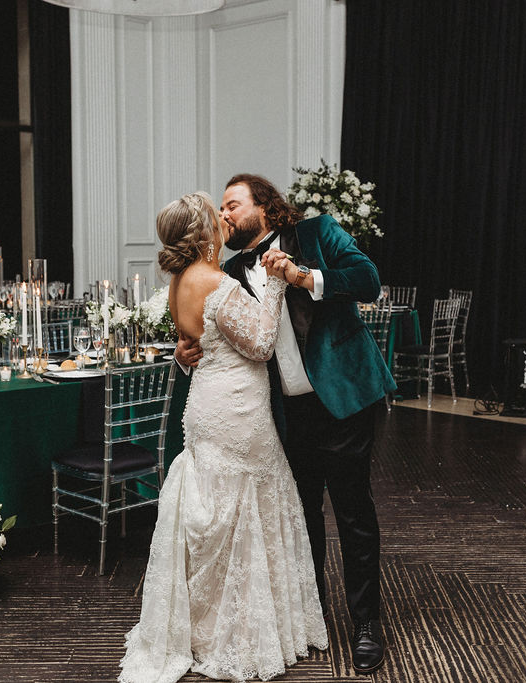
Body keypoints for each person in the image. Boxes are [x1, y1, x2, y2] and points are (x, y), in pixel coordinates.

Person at [175, 174, 396, 674]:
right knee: (302, 517)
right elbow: (221, 337)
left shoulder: (319, 233)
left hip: (342, 400)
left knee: (353, 513)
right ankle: (309, 615)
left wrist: (301, 277)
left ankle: (366, 624)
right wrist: (184, 353)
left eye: (234, 204)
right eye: (223, 208)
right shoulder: (228, 270)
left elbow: (368, 281)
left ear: (267, 209)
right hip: (282, 414)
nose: (225, 214)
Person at [118, 192, 327, 683]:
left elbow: (196, 341)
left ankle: (203, 623)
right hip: (238, 409)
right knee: (244, 506)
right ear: (204, 232)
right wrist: (275, 283)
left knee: (215, 510)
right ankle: (233, 631)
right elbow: (257, 343)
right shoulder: (215, 280)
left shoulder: (178, 283)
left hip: (205, 406)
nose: (224, 219)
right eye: (218, 215)